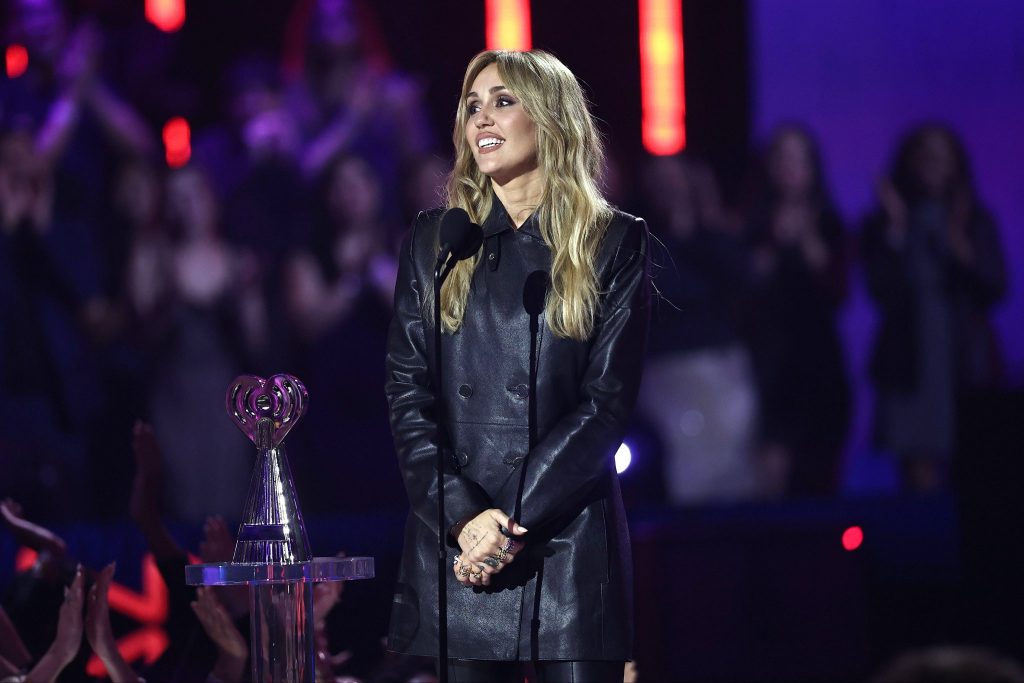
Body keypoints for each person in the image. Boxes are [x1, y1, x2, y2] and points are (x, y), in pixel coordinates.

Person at [385, 50, 649, 682]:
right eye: (472, 106)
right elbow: (407, 394)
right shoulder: (436, 242)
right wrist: (464, 518)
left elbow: (604, 405)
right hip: (461, 541)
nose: (481, 118)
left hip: (566, 538)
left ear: (550, 119)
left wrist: (506, 525)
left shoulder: (611, 242)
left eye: (503, 101)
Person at [862, 124, 1007, 492]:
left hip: (962, 355)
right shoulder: (883, 222)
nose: (933, 164)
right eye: (925, 155)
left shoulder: (974, 220)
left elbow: (995, 288)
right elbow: (878, 289)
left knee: (975, 464)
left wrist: (959, 244)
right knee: (917, 469)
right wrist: (896, 230)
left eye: (942, 156)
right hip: (909, 357)